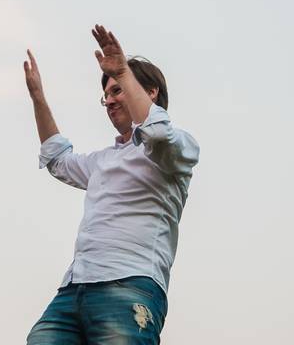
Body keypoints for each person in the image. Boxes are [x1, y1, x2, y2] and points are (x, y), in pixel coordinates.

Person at [23, 25, 200, 344]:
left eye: (117, 90)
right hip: (73, 290)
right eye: (105, 95)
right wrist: (38, 98)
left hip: (129, 283)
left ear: (151, 93)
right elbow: (58, 160)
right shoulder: (103, 160)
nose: (109, 100)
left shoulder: (176, 148)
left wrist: (122, 69)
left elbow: (157, 133)